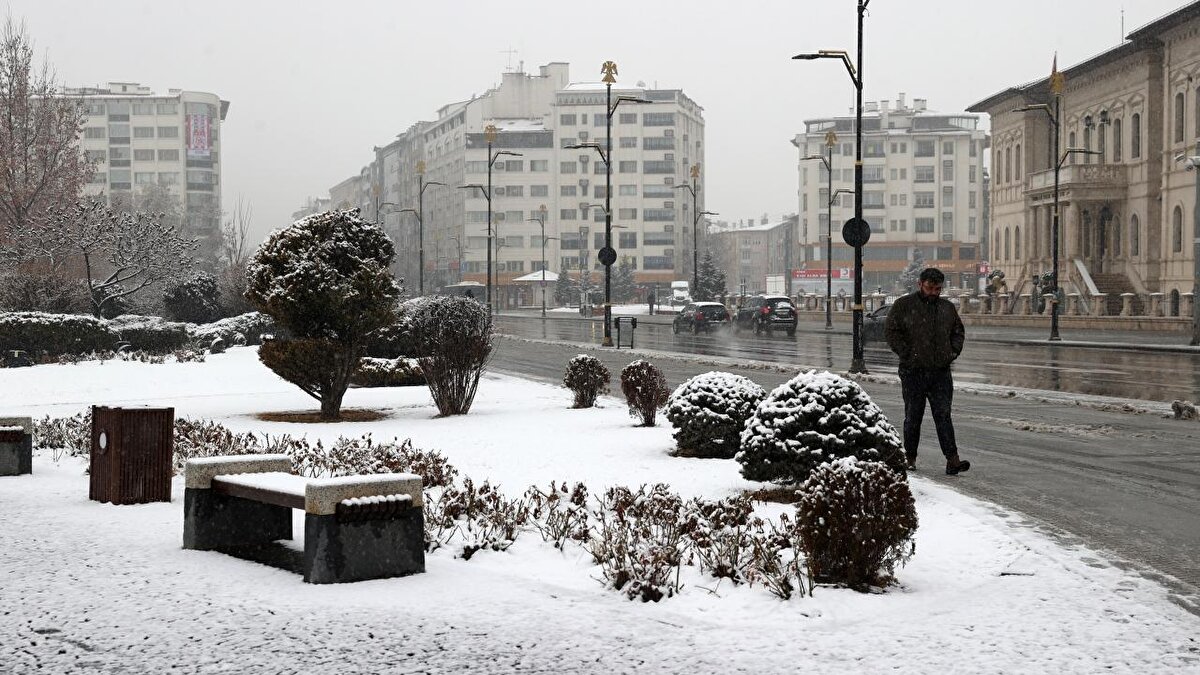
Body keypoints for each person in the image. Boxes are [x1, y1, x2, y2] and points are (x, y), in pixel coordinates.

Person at [884, 267, 971, 476]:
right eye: (930, 288)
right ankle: (910, 457)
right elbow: (891, 331)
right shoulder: (904, 305)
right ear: (920, 284)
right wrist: (906, 353)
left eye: (938, 289)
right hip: (913, 372)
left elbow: (958, 332)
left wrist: (952, 353)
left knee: (943, 416)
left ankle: (953, 460)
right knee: (913, 416)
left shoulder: (946, 308)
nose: (934, 292)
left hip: (940, 372)